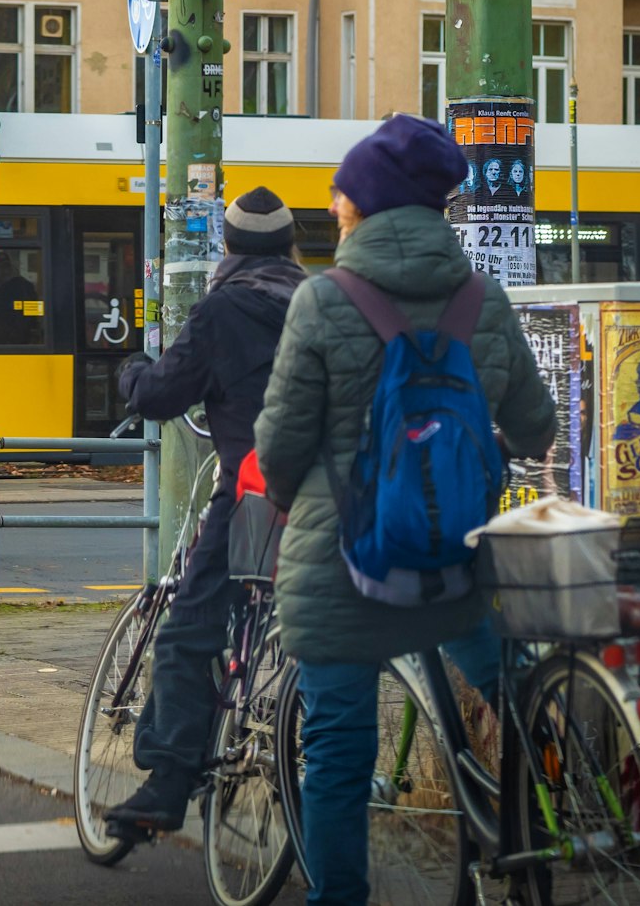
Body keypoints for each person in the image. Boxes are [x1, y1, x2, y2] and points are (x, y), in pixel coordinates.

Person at [253, 116, 555, 906]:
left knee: (340, 751)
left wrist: (289, 501)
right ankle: (538, 805)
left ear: (367, 203)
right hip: (452, 566)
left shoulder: (322, 301)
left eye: (340, 190)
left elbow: (282, 444)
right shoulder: (484, 303)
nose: (333, 201)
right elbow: (537, 425)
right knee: (509, 682)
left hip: (342, 570)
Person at [104, 187, 308, 834]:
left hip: (252, 491)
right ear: (287, 245)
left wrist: (132, 371)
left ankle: (167, 781)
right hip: (328, 492)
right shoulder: (314, 299)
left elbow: (165, 393)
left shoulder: (225, 308)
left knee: (190, 626)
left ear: (228, 247)